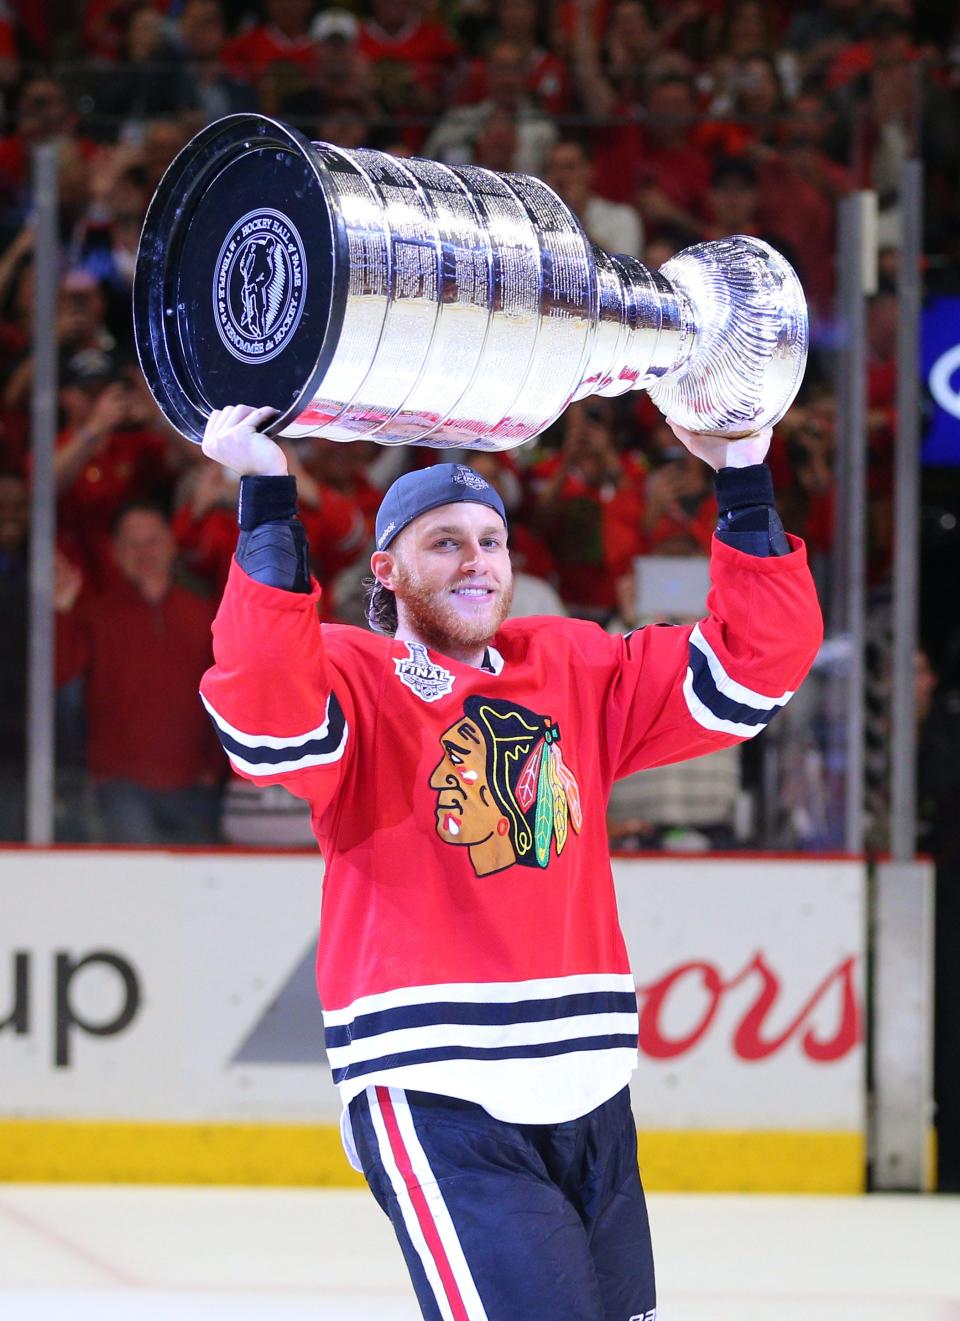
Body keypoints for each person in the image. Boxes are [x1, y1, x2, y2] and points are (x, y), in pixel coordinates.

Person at [197, 399, 822, 1321]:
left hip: (592, 1089)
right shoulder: (358, 679)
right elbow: (263, 709)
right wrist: (266, 500)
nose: (476, 561)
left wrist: (744, 479)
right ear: (388, 569)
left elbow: (753, 668)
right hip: (439, 1087)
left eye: (490, 541)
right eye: (443, 542)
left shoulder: (573, 665)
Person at [55, 503, 222, 844]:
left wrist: (214, 769)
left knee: (197, 891)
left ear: (171, 545)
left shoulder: (206, 615)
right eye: (133, 543)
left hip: (195, 785)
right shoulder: (96, 615)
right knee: (134, 887)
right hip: (120, 786)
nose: (144, 552)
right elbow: (57, 675)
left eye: (153, 541)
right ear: (116, 553)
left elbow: (229, 697)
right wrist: (60, 611)